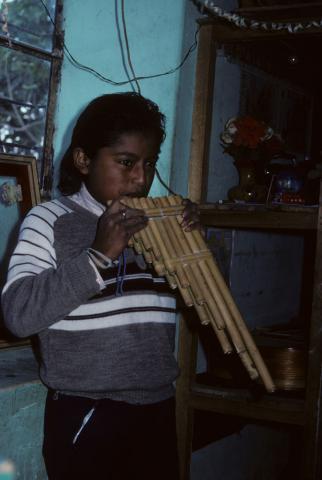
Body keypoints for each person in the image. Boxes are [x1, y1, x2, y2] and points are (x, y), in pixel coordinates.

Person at [1, 92, 200, 480]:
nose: (141, 179)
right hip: (88, 415)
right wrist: (97, 254)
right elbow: (17, 315)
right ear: (83, 159)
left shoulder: (159, 227)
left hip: (158, 409)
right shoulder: (49, 220)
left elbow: (201, 302)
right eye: (126, 163)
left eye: (149, 164)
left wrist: (197, 247)